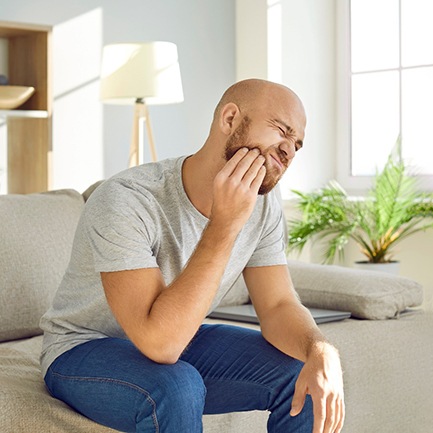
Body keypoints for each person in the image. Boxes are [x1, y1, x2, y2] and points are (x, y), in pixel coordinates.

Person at [40, 78, 344, 433]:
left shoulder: (264, 206)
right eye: (281, 130)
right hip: (83, 348)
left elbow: (277, 305)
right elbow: (161, 344)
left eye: (297, 144)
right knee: (177, 387)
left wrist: (319, 349)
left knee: (301, 370)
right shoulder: (126, 199)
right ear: (230, 119)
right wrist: (225, 223)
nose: (288, 150)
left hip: (180, 332)